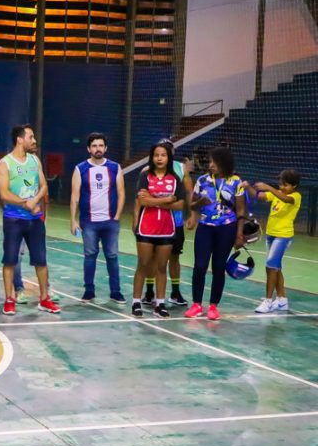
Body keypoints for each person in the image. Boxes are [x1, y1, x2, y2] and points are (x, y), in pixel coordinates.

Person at [0, 125, 60, 316]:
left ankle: (44, 298)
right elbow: (4, 193)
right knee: (10, 260)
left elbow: (43, 185)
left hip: (35, 220)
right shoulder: (4, 163)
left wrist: (36, 200)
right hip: (14, 219)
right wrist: (26, 203)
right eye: (31, 137)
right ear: (20, 139)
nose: (34, 140)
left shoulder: (34, 160)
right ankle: (9, 298)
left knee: (41, 260)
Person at [185, 147, 246, 320]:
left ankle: (213, 306)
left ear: (224, 163)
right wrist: (198, 206)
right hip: (205, 227)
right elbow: (192, 205)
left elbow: (240, 210)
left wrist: (239, 234)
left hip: (227, 229)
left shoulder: (236, 182)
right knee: (200, 266)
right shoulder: (202, 180)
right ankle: (197, 304)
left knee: (219, 268)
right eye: (210, 161)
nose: (211, 165)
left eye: (215, 162)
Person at [70, 132, 125, 304]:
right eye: (94, 146)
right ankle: (89, 291)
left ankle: (115, 291)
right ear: (89, 149)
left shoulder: (115, 167)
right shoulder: (80, 169)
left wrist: (116, 216)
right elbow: (75, 195)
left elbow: (122, 193)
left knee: (112, 256)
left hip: (110, 221)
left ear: (106, 148)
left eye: (101, 145)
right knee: (90, 255)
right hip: (89, 222)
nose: (98, 148)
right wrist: (73, 219)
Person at [131, 141, 184, 318]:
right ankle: (136, 302)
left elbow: (181, 204)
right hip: (146, 228)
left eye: (163, 155)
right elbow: (143, 201)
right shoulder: (145, 176)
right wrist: (166, 200)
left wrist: (155, 199)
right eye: (156, 155)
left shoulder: (175, 178)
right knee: (143, 265)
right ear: (152, 158)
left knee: (162, 267)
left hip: (167, 229)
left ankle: (160, 304)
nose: (159, 158)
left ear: (168, 157)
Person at [245, 170, 301, 313]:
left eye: (286, 185)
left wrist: (270, 188)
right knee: (276, 268)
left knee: (270, 267)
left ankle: (268, 301)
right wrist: (248, 187)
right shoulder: (277, 194)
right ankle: (282, 300)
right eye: (280, 184)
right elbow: (259, 195)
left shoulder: (296, 196)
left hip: (283, 236)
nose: (282, 187)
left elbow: (285, 199)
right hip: (271, 235)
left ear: (294, 186)